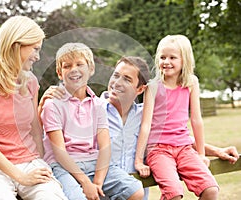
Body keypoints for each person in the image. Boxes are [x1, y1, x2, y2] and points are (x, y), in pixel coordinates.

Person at [40, 55, 239, 200]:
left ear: (140, 89)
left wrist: (217, 151)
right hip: (98, 193)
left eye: (126, 79)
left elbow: (177, 141)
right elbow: (51, 141)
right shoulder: (91, 109)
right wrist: (42, 105)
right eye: (116, 75)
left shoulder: (147, 116)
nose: (116, 83)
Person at [0, 16, 67, 200]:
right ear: (16, 44)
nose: (37, 57)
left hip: (29, 161)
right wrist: (21, 177)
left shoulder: (31, 82)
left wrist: (40, 163)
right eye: (35, 49)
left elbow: (35, 129)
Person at [40, 43, 145, 200]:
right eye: (67, 66)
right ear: (60, 73)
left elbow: (105, 148)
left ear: (91, 69)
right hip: (63, 166)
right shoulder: (53, 104)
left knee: (135, 190)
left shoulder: (98, 105)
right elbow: (59, 152)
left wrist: (97, 182)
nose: (74, 69)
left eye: (80, 64)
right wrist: (85, 183)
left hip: (93, 162)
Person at [135, 34, 219, 200]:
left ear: (184, 60)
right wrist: (139, 160)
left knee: (211, 190)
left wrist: (201, 154)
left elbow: (196, 120)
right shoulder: (153, 87)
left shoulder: (191, 83)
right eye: (162, 57)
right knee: (173, 193)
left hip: (184, 148)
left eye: (172, 57)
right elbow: (145, 125)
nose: (166, 61)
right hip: (158, 149)